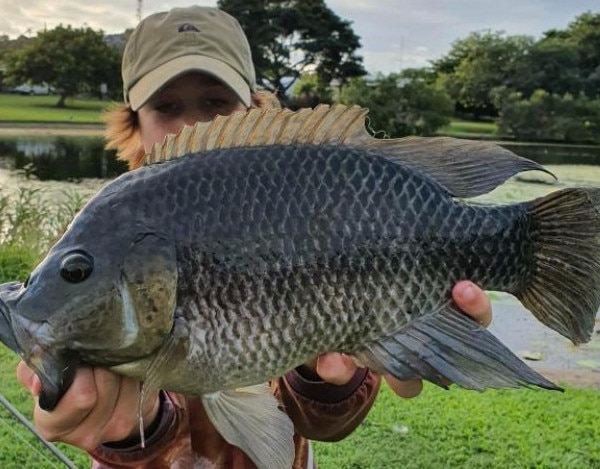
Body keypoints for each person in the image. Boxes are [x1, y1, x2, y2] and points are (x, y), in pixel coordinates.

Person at [16, 6, 493, 469]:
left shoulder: (305, 200)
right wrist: (130, 430)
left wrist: (325, 380)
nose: (193, 125)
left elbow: (325, 418)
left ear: (254, 108)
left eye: (215, 103)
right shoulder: (106, 231)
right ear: (133, 123)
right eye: (167, 106)